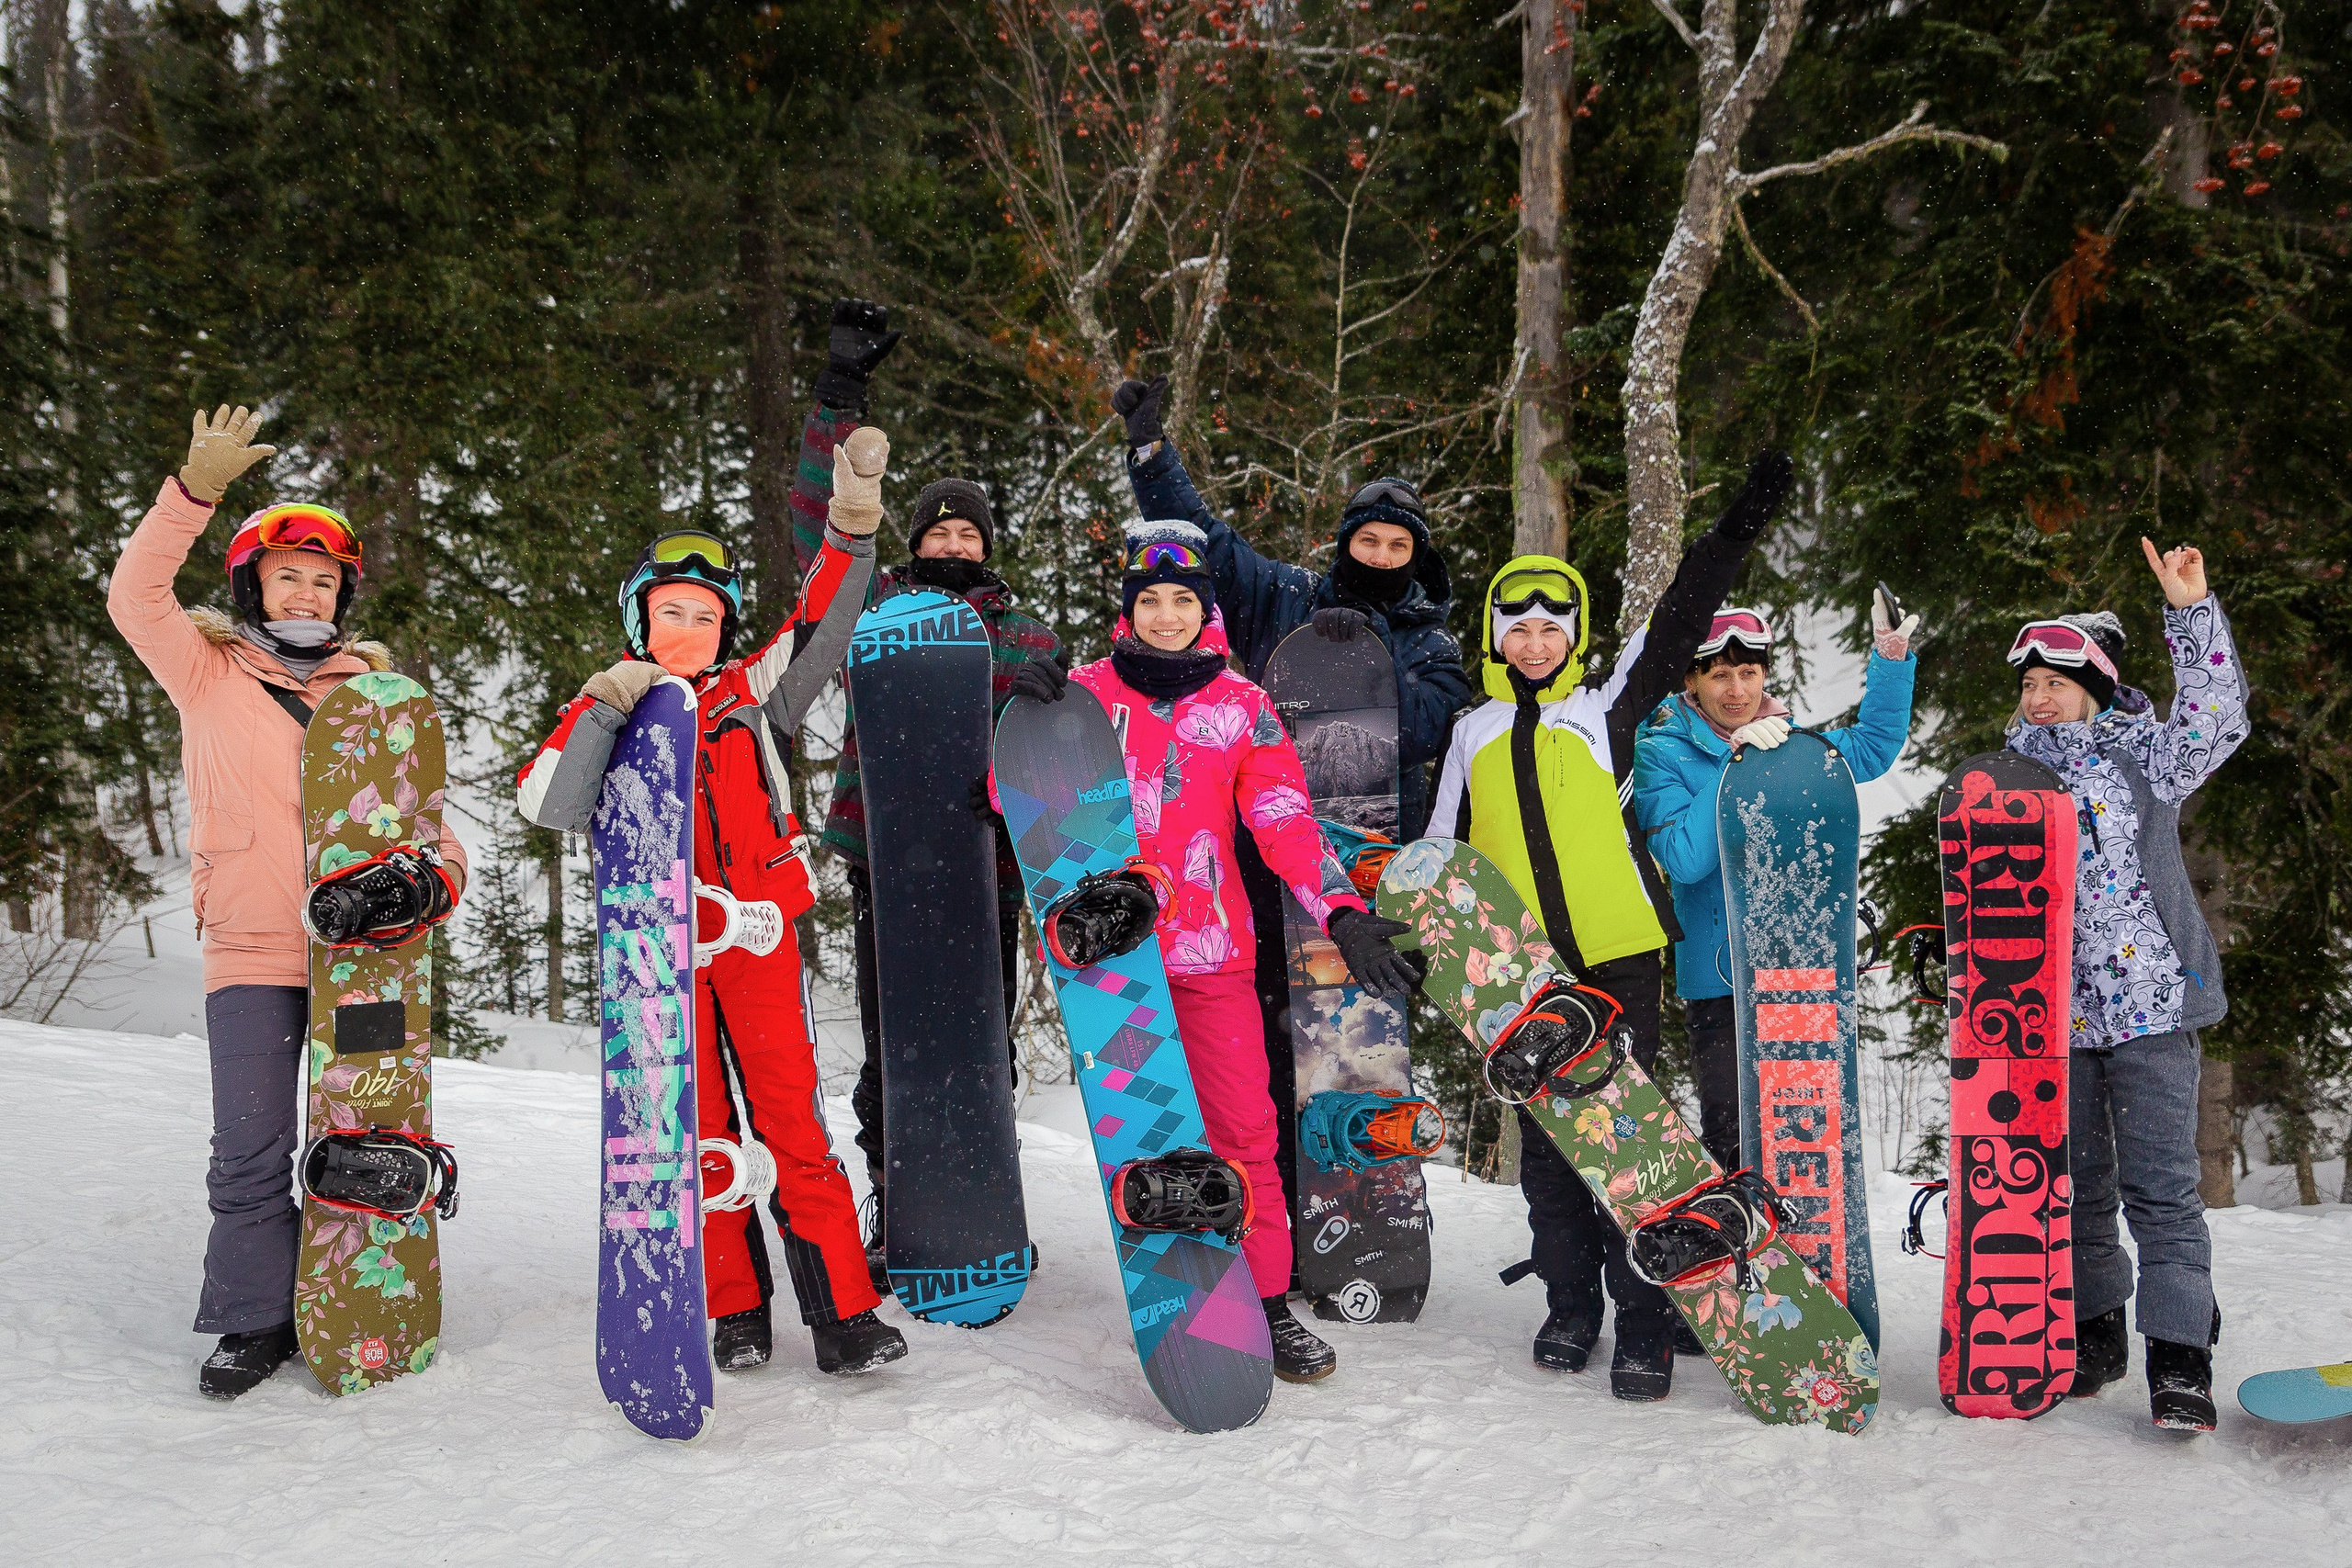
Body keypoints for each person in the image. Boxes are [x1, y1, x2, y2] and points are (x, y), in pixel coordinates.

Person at [515, 424, 899, 1376]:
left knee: (792, 1126)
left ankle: (843, 1315)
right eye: (669, 612)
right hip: (658, 959)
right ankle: (733, 1310)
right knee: (696, 1133)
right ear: (638, 620)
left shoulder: (748, 697)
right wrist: (606, 702)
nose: (687, 632)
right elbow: (547, 802)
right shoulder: (611, 704)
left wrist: (851, 525)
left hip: (757, 941)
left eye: (705, 617)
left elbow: (823, 623)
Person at [107, 406, 472, 1400]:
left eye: (323, 577)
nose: (306, 589)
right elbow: (135, 595)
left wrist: (428, 881)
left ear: (343, 593)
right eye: (287, 574)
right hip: (256, 948)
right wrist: (194, 493)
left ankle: (352, 1297)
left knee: (367, 1137)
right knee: (252, 1144)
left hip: (369, 957)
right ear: (253, 585)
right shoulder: (207, 671)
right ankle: (250, 1319)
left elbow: (432, 827)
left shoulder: (381, 694)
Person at [1015, 518, 1425, 1383]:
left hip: (1210, 955)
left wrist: (1343, 911)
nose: (1167, 615)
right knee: (1148, 1138)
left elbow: (1284, 824)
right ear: (1129, 607)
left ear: (1205, 608)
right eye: (1151, 599)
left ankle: (1268, 1301)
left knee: (1246, 1130)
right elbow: (1019, 798)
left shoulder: (1243, 706)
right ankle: (1175, 1299)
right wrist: (1018, 705)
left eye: (1183, 600)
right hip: (1111, 963)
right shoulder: (1086, 696)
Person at [1428, 452, 1795, 1402]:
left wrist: (1739, 525)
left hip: (1619, 955)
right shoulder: (1469, 735)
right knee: (1550, 1152)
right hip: (1517, 973)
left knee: (1627, 1140)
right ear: (1496, 636)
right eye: (1521, 627)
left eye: (1554, 627)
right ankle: (1569, 1306)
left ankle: (1644, 1321)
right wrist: (1415, 937)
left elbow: (1681, 608)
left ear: (1575, 634)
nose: (1537, 641)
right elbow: (1438, 854)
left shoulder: (1607, 708)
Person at [1111, 375, 1473, 1272]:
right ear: (1345, 540)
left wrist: (1368, 653)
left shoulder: (1432, 641)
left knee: (1355, 1048)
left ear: (1415, 559)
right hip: (1267, 860)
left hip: (1373, 867)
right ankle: (1277, 1218)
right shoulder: (1290, 600)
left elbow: (1424, 728)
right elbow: (1213, 553)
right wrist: (1152, 453)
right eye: (1368, 538)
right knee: (1270, 1054)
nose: (1381, 554)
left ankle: (1365, 1207)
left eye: (1397, 545)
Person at [790, 299, 1065, 1288]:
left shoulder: (1024, 631)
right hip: (889, 861)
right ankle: (896, 1197)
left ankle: (982, 1200)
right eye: (938, 529)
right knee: (896, 1046)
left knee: (977, 1043)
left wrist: (1048, 700)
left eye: (967, 531)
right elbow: (815, 535)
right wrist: (840, 400)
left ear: (986, 545)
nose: (953, 541)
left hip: (985, 868)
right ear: (917, 540)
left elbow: (1065, 749)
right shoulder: (881, 608)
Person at [2000, 537, 2247, 1431]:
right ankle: (2094, 1329)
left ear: (2095, 686)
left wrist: (2189, 611)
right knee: (2075, 1187)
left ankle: (2179, 1358)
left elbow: (2215, 717)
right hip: (2052, 1021)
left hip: (2150, 1010)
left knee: (2162, 1191)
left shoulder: (2146, 756)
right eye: (2027, 684)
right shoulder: (2007, 776)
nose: (2037, 697)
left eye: (2054, 681)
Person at [1630, 594, 1920, 1168]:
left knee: (1802, 1141)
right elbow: (1685, 860)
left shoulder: (1787, 745)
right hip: (1718, 982)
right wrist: (1733, 769)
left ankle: (1804, 1253)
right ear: (1692, 679)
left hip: (1798, 971)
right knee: (1735, 1138)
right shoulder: (1659, 753)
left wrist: (1890, 658)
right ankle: (1742, 1251)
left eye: (1749, 672)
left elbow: (1870, 748)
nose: (1737, 690)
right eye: (1719, 675)